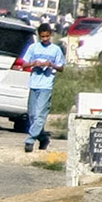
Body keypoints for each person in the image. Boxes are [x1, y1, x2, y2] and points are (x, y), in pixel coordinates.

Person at [18, 22, 67, 151]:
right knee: (32, 115)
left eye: (47, 36)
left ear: (50, 35)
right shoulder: (33, 48)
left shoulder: (55, 50)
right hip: (34, 84)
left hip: (46, 85)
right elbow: (23, 64)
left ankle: (30, 140)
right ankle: (43, 138)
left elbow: (61, 67)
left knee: (40, 115)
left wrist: (51, 65)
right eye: (42, 37)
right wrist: (33, 63)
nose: (45, 39)